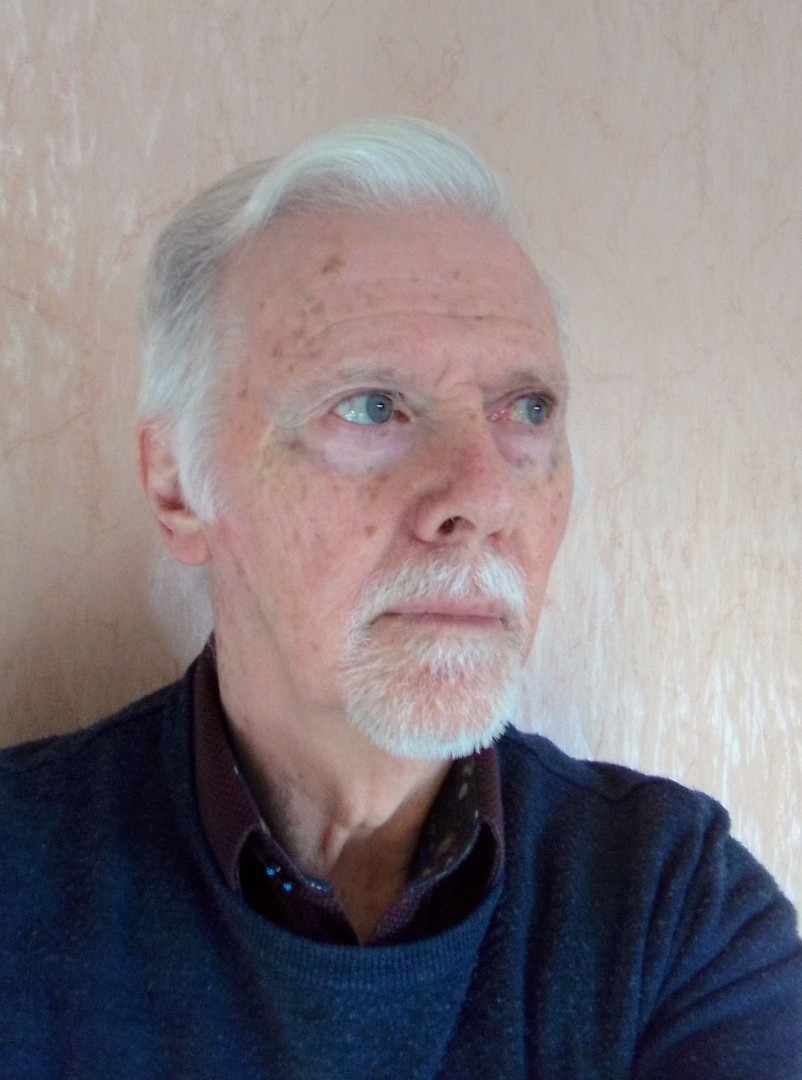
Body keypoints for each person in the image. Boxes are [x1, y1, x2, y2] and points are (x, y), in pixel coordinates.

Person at [1, 118, 800, 1079]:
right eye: (372, 406)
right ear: (177, 486)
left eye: (527, 411)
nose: (484, 496)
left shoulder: (673, 913)